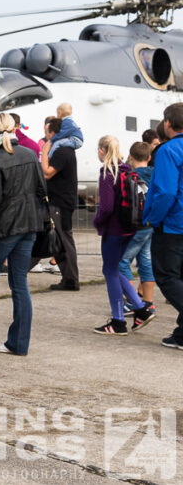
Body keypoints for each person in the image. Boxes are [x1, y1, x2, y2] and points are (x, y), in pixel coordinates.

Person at [0, 114, 46, 355]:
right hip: (29, 225)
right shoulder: (29, 155)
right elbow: (41, 189)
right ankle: (19, 343)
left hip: (3, 228)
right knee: (19, 284)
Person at [92, 135, 156, 335]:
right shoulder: (128, 170)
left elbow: (106, 207)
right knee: (114, 268)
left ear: (102, 151)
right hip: (130, 227)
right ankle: (140, 309)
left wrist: (97, 222)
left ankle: (118, 321)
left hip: (114, 230)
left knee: (109, 272)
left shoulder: (107, 173)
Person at [146, 103, 183, 350]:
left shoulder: (168, 150)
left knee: (167, 275)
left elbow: (166, 191)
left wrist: (154, 218)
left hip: (173, 224)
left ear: (168, 124)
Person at [39, 118, 79, 290]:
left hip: (61, 202)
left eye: (47, 132)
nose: (46, 136)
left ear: (53, 133)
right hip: (60, 201)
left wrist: (44, 152)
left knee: (64, 239)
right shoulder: (64, 149)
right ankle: (68, 278)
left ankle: (71, 280)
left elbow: (47, 173)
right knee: (60, 240)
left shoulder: (62, 151)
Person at [119, 142, 156, 310]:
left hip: (135, 226)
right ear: (149, 158)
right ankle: (148, 302)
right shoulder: (156, 175)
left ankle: (132, 301)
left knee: (122, 261)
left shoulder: (130, 176)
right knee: (145, 262)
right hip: (151, 225)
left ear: (131, 156)